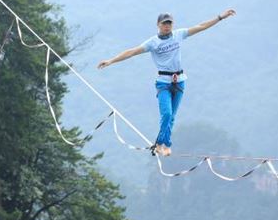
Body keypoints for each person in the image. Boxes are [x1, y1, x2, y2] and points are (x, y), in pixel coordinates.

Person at [97, 9, 236, 156]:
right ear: (158, 25)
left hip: (179, 81)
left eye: (169, 23)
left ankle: (161, 144)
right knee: (167, 114)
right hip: (163, 83)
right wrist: (111, 61)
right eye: (164, 24)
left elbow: (201, 26)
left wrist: (220, 17)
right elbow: (131, 52)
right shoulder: (153, 43)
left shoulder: (178, 34)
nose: (167, 26)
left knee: (172, 116)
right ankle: (164, 144)